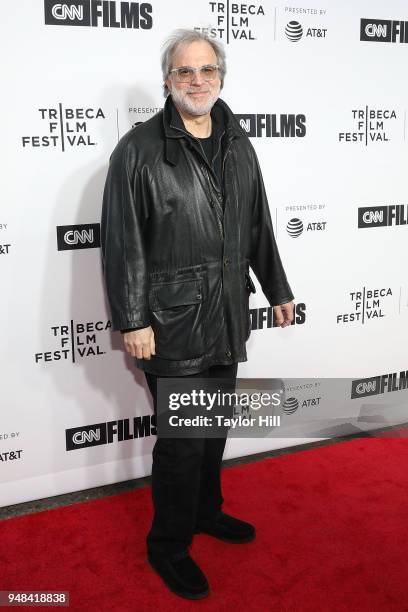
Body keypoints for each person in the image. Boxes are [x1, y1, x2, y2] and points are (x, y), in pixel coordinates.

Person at [100, 28, 294, 600]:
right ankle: (169, 545)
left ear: (221, 77)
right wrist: (132, 319)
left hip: (230, 312)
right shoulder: (137, 150)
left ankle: (207, 513)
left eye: (207, 70)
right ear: (167, 79)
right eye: (184, 71)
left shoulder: (239, 142)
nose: (197, 80)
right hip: (171, 322)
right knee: (183, 442)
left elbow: (257, 221)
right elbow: (123, 243)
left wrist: (277, 288)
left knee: (212, 433)